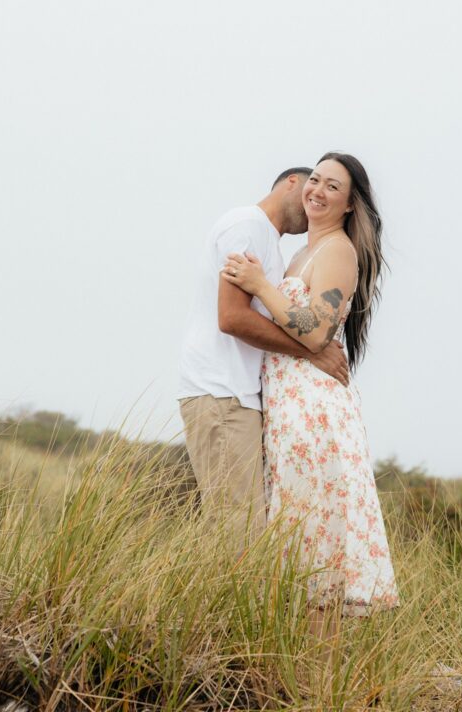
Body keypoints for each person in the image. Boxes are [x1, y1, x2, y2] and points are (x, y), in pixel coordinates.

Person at [221, 152, 400, 636]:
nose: (317, 190)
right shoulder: (302, 253)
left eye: (332, 186)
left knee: (317, 546)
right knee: (300, 541)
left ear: (348, 205)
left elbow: (316, 331)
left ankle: (323, 681)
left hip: (314, 414)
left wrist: (260, 284)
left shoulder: (338, 251)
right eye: (314, 179)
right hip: (290, 412)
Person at [177, 167, 350, 552]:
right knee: (235, 533)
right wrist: (313, 351)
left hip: (239, 398)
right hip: (221, 393)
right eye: (311, 188)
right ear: (292, 182)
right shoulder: (247, 225)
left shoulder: (271, 246)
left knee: (242, 529)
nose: (314, 204)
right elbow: (232, 317)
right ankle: (212, 613)